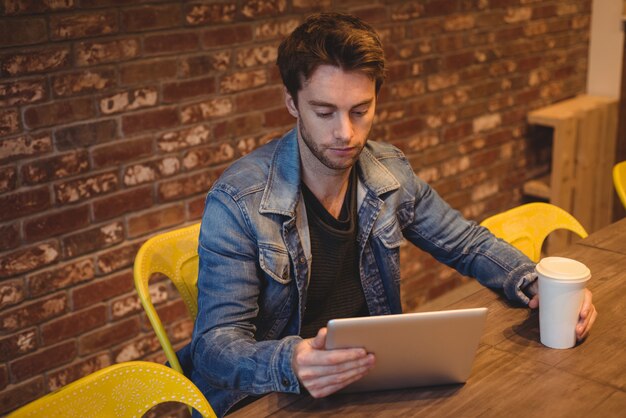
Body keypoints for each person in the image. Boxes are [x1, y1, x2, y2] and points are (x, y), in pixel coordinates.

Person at [177, 12, 597, 417]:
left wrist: (535, 282)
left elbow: (467, 244)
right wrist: (293, 361)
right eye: (324, 112)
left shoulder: (388, 172)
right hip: (273, 396)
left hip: (368, 381)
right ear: (292, 102)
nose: (345, 132)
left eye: (360, 110)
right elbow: (215, 346)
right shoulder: (238, 200)